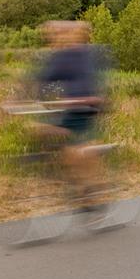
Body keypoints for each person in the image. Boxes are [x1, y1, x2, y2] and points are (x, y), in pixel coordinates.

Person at [33, 20, 109, 199]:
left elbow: (89, 82)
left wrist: (85, 99)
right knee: (50, 135)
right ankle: (78, 181)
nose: (55, 38)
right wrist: (22, 101)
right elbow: (43, 79)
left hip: (86, 107)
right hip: (69, 108)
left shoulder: (85, 55)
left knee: (77, 148)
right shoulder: (60, 56)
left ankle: (90, 179)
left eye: (59, 34)